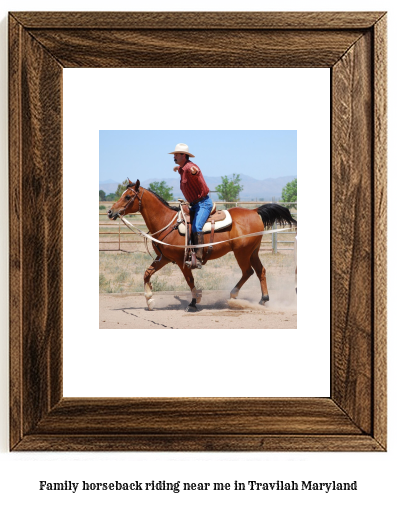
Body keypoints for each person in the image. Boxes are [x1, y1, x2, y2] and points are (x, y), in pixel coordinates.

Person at [169, 143, 213, 269]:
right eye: (174, 154)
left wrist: (195, 172)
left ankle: (198, 259)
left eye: (177, 154)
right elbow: (182, 170)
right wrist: (177, 169)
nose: (174, 156)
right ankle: (188, 253)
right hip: (194, 204)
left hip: (203, 204)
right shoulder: (183, 168)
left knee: (196, 226)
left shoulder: (191, 167)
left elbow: (195, 171)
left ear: (184, 155)